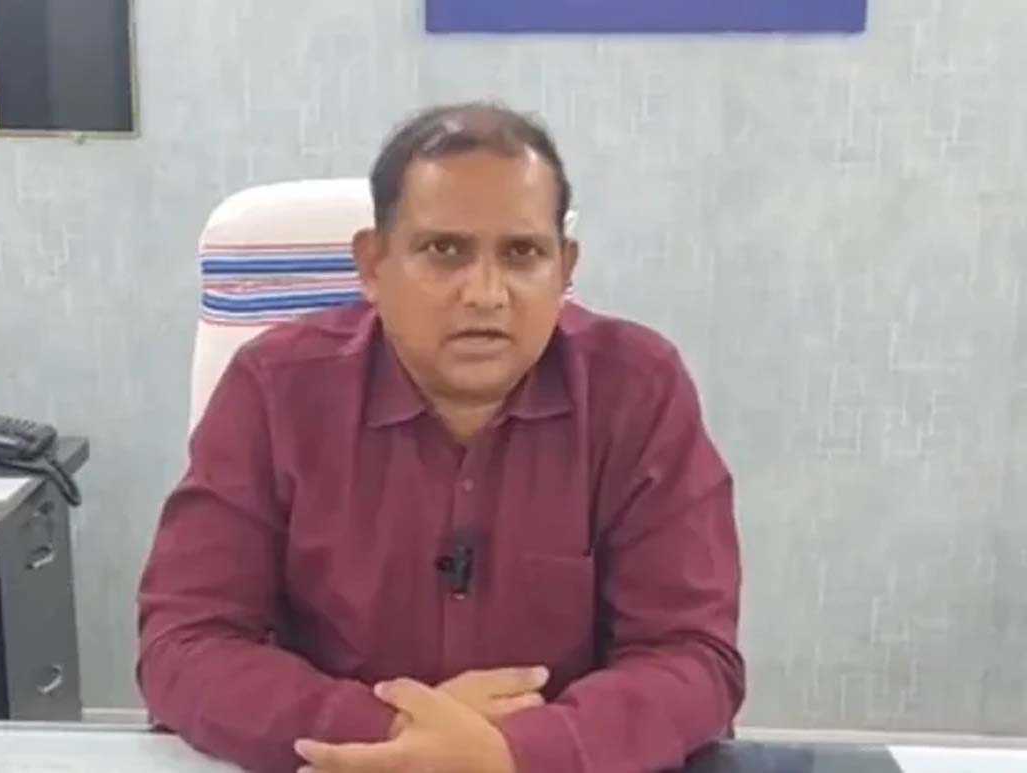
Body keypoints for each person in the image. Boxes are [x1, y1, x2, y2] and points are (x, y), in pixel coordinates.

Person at [137, 103, 744, 773]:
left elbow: (693, 659)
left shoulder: (637, 390)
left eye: (522, 254)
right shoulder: (275, 389)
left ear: (565, 268)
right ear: (373, 265)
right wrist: (396, 734)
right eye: (445, 251)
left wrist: (516, 752)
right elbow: (184, 644)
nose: (485, 294)